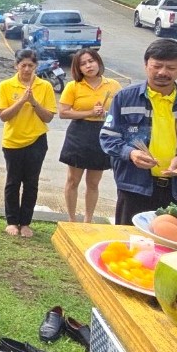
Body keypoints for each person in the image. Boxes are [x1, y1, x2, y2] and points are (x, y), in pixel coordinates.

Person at [100, 37, 177, 226]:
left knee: (172, 243)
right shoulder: (125, 98)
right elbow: (108, 137)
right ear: (146, 64)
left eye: (171, 68)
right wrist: (131, 153)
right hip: (134, 187)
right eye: (157, 66)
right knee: (132, 241)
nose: (163, 72)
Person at [0, 47, 57, 238]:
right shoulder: (6, 86)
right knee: (13, 182)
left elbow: (48, 117)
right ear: (16, 66)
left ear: (36, 66)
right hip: (13, 141)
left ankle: (25, 223)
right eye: (23, 65)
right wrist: (22, 101)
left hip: (37, 141)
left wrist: (34, 102)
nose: (27, 69)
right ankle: (12, 221)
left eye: (31, 65)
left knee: (31, 183)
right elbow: (3, 116)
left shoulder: (44, 87)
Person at [57, 48, 121, 222]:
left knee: (93, 182)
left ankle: (88, 219)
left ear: (98, 62)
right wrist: (89, 112)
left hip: (102, 134)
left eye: (91, 61)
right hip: (79, 133)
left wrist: (105, 113)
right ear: (78, 69)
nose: (88, 66)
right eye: (83, 64)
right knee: (73, 180)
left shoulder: (113, 85)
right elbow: (63, 113)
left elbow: (120, 112)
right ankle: (71, 219)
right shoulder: (73, 86)